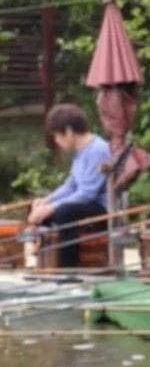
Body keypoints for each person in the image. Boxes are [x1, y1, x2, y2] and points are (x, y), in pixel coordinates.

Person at [27, 104, 110, 269]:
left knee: (64, 212)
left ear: (70, 131)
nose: (57, 141)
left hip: (103, 210)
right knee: (42, 210)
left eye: (57, 136)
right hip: (84, 205)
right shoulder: (79, 151)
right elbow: (71, 185)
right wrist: (47, 201)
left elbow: (88, 193)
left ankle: (68, 267)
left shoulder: (98, 150)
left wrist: (52, 207)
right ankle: (46, 261)